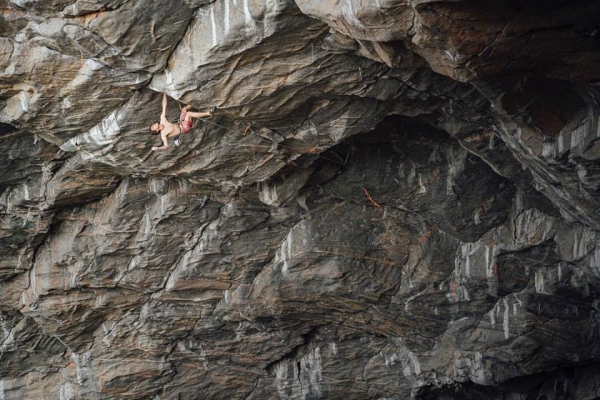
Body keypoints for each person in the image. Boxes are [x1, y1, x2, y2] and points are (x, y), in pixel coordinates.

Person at [150, 94, 215, 151]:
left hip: (181, 122)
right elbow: (166, 146)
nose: (153, 125)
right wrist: (158, 148)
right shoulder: (163, 134)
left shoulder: (162, 119)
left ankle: (198, 98)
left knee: (184, 109)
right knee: (188, 114)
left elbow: (164, 105)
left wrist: (164, 93)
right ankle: (209, 113)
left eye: (152, 125)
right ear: (156, 130)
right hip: (184, 128)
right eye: (153, 127)